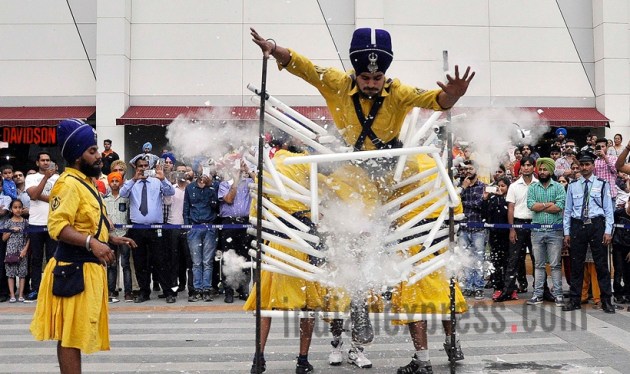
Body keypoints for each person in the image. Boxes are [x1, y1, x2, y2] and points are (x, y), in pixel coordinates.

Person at [250, 27, 474, 153]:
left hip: (393, 160)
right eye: (365, 77)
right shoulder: (337, 82)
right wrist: (274, 48)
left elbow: (435, 100)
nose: (371, 83)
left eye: (377, 78)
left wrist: (453, 94)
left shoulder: (398, 92)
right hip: (349, 161)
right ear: (355, 74)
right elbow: (302, 66)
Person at [30, 118, 136, 373]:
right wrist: (92, 244)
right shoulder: (68, 184)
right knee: (70, 336)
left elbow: (86, 223)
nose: (99, 156)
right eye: (92, 151)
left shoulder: (86, 182)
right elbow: (58, 228)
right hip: (72, 269)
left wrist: (109, 239)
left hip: (83, 268)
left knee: (75, 334)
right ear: (78, 156)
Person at [562, 150, 615, 313]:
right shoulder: (572, 186)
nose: (584, 167)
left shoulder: (602, 184)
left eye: (587, 164)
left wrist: (607, 231)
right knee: (576, 264)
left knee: (601, 265)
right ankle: (575, 299)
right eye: (582, 165)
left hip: (596, 225)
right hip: (578, 225)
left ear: (592, 166)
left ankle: (606, 301)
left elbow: (608, 210)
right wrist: (567, 232)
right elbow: (567, 210)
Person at [119, 158, 176, 303]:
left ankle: (168, 291)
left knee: (161, 260)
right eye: (140, 166)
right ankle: (144, 292)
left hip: (155, 227)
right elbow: (122, 193)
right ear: (136, 168)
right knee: (140, 261)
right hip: (138, 228)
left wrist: (163, 179)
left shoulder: (157, 181)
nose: (143, 168)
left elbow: (171, 191)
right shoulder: (131, 183)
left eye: (146, 166)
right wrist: (133, 179)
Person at [495, 156, 538, 302]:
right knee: (513, 260)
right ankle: (508, 291)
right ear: (520, 168)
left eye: (529, 165)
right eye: (524, 165)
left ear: (533, 167)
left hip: (534, 224)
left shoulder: (538, 184)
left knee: (537, 259)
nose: (526, 168)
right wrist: (512, 229)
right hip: (518, 224)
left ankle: (540, 290)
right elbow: (511, 209)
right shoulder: (513, 186)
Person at [525, 158, 566, 306]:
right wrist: (549, 204)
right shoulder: (533, 188)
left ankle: (559, 295)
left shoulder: (559, 187)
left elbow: (559, 206)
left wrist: (541, 205)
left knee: (555, 264)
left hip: (555, 231)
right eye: (540, 170)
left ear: (551, 170)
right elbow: (531, 205)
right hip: (537, 230)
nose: (542, 172)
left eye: (545, 169)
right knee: (539, 265)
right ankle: (538, 295)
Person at [218, 158, 255, 303]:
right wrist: (235, 182)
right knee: (228, 257)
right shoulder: (224, 184)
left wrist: (249, 171)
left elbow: (263, 185)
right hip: (229, 224)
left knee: (244, 256)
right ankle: (228, 290)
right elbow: (228, 199)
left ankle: (243, 289)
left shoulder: (249, 183)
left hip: (245, 223)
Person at [24, 151, 59, 300]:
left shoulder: (58, 178)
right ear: (37, 163)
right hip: (36, 224)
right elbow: (33, 195)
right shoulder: (31, 177)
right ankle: (36, 289)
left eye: (48, 160)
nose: (45, 162)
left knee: (53, 258)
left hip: (53, 223)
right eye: (43, 160)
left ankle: (52, 288)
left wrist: (41, 196)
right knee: (36, 259)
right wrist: (45, 178)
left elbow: (60, 198)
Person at [184, 169, 220, 302]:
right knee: (196, 262)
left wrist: (210, 187)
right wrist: (188, 227)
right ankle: (197, 289)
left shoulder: (213, 186)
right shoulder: (190, 187)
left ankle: (207, 289)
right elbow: (186, 208)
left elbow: (216, 206)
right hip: (194, 226)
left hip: (209, 225)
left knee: (207, 261)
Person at [458, 160, 487, 299]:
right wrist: (463, 189)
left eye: (470, 168)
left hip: (478, 229)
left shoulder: (483, 187)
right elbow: (456, 203)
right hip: (463, 228)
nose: (467, 171)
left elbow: (480, 204)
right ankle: (469, 286)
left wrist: (465, 203)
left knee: (479, 259)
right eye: (465, 169)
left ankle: (479, 287)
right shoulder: (460, 187)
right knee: (465, 259)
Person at [103, 172, 133, 302]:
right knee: (112, 264)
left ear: (121, 182)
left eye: (117, 181)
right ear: (109, 182)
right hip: (110, 235)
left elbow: (129, 215)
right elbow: (102, 215)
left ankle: (128, 292)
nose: (114, 183)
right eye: (112, 181)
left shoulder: (125, 198)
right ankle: (112, 291)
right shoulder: (105, 199)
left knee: (125, 264)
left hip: (124, 234)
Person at [482, 176, 511, 300]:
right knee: (496, 261)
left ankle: (510, 287)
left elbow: (508, 212)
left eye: (503, 186)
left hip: (507, 234)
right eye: (498, 186)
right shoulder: (492, 199)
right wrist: (485, 199)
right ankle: (497, 287)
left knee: (508, 262)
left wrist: (501, 197)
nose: (500, 188)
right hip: (494, 235)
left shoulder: (509, 199)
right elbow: (485, 214)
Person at [2, 199, 29, 302]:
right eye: (15, 207)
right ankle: (12, 295)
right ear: (11, 209)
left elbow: (28, 238)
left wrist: (25, 250)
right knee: (10, 274)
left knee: (22, 274)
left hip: (22, 251)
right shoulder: (8, 222)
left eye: (19, 207)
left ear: (22, 209)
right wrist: (11, 230)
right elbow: (4, 238)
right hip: (10, 251)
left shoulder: (26, 222)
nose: (17, 210)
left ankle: (21, 295)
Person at [593, 138, 618, 206]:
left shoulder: (613, 158)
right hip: (598, 193)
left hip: (610, 192)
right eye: (598, 147)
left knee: (611, 215)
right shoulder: (594, 161)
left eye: (603, 146)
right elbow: (593, 175)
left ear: (607, 147)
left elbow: (614, 170)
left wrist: (604, 157)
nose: (600, 149)